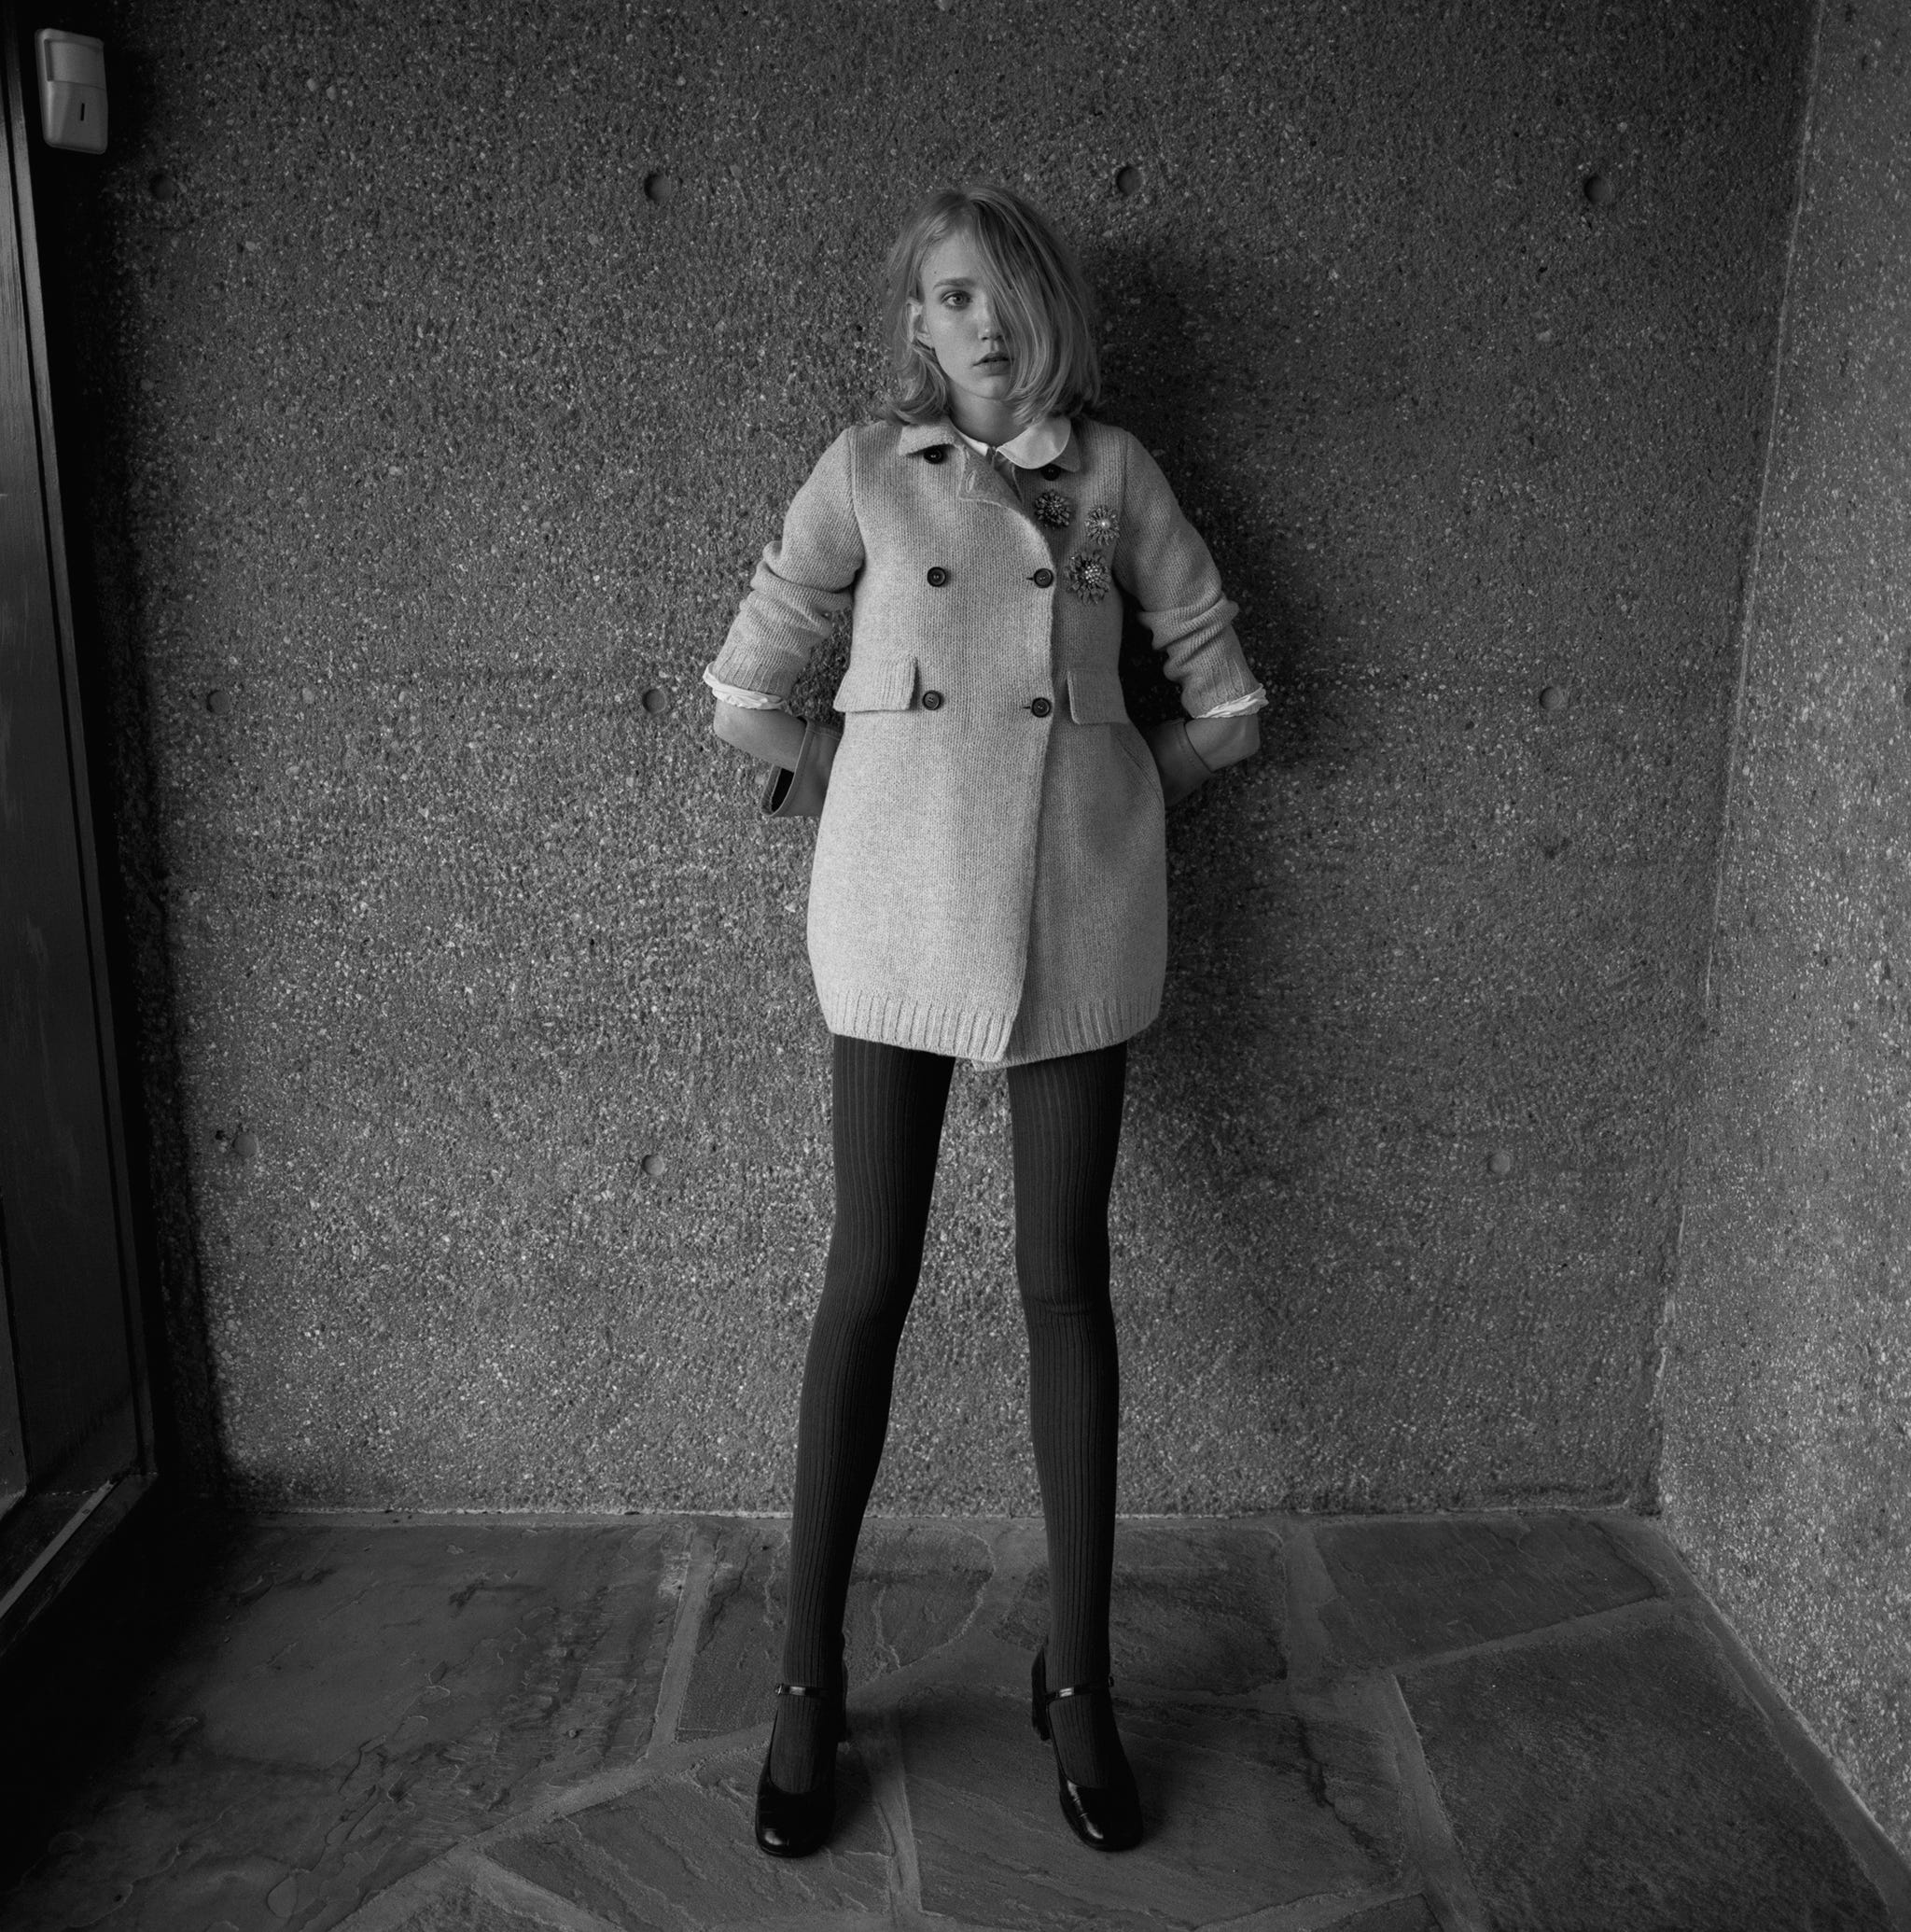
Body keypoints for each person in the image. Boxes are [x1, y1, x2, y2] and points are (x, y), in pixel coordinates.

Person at [704, 184, 1265, 1858]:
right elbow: (747, 691)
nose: (985, 322)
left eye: (1009, 292)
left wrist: (1120, 797)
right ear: (916, 325)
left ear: (1051, 315)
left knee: (1065, 1279)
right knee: (866, 1272)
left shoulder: (1119, 478)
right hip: (891, 918)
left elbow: (1225, 699)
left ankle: (1078, 1681)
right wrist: (862, 789)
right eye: (953, 295)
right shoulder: (865, 472)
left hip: (1077, 919)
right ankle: (807, 1680)